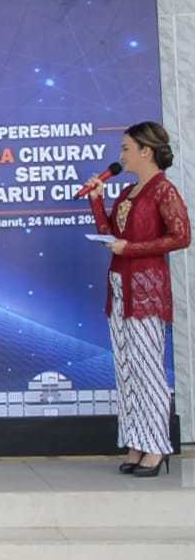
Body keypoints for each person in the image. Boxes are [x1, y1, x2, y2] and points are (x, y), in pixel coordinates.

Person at [87, 121, 190, 477]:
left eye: (126, 147)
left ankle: (157, 446)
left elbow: (181, 236)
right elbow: (111, 235)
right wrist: (97, 202)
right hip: (119, 288)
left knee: (148, 370)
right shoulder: (129, 190)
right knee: (127, 370)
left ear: (146, 151)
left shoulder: (163, 190)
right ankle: (136, 442)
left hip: (145, 289)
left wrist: (132, 249)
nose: (121, 155)